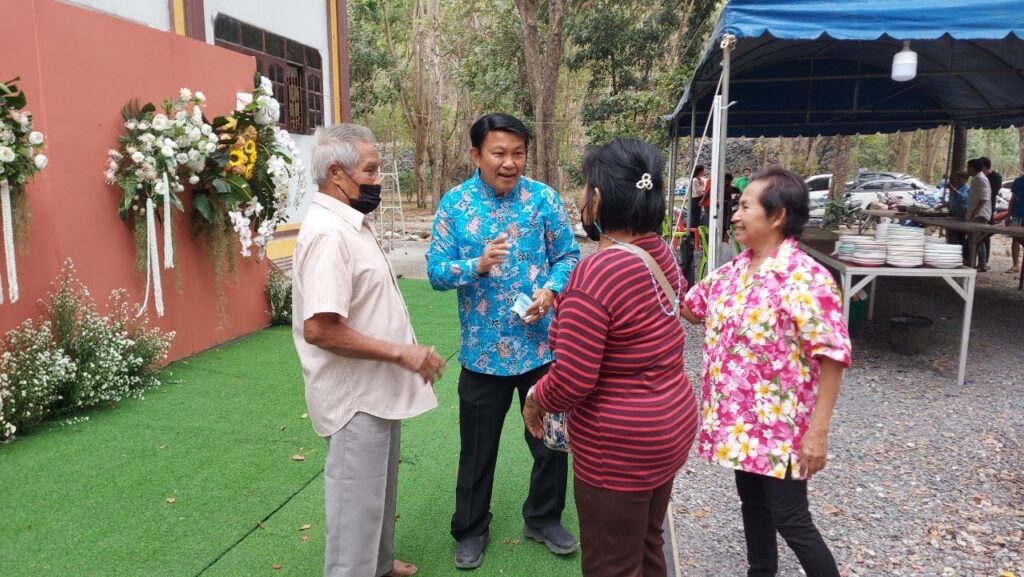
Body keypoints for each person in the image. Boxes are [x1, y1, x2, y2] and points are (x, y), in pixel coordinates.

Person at [522, 138, 699, 577]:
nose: (582, 199)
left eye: (585, 189)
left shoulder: (597, 273)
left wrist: (535, 398)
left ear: (597, 199)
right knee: (647, 542)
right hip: (669, 426)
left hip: (620, 445)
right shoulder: (660, 251)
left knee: (610, 564)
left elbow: (573, 380)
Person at [425, 113, 581, 570]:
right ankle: (471, 529)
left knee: (550, 442)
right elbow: (435, 271)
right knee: (477, 449)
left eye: (518, 153)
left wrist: (551, 291)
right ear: (476, 155)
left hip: (540, 349)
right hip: (482, 355)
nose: (509, 162)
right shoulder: (455, 205)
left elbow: (568, 255)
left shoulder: (543, 199)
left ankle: (543, 518)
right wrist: (475, 264)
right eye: (499, 153)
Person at [680, 168, 852, 577]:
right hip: (742, 426)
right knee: (753, 505)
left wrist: (818, 432)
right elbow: (690, 308)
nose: (735, 215)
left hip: (783, 428)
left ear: (777, 216)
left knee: (791, 518)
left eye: (745, 207)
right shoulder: (734, 271)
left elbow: (833, 355)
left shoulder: (806, 277)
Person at [292, 123, 444, 577]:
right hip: (353, 398)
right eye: (371, 170)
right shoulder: (329, 234)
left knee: (378, 491)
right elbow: (320, 329)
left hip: (374, 391)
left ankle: (378, 564)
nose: (379, 180)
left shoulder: (351, 222)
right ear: (336, 174)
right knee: (354, 507)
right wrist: (401, 353)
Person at [966, 158, 993, 271]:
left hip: (980, 215)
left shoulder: (981, 179)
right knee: (973, 239)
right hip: (976, 214)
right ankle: (972, 262)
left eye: (968, 167)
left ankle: (982, 263)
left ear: (972, 168)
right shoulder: (977, 178)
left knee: (977, 240)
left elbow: (984, 198)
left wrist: (975, 211)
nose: (967, 170)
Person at [942, 170, 969, 247]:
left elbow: (963, 198)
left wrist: (953, 189)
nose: (957, 181)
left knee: (960, 236)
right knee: (951, 235)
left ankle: (960, 250)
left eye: (959, 179)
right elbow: (952, 201)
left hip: (960, 215)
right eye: (956, 179)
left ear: (965, 179)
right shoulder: (957, 187)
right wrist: (942, 206)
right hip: (953, 214)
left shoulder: (967, 188)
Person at [1008, 167, 1024, 273]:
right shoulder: (1018, 181)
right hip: (1017, 213)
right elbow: (1013, 199)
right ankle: (1015, 265)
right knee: (1015, 238)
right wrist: (1008, 215)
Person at [980, 156, 1002, 223]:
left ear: (983, 166)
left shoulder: (996, 177)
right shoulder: (980, 176)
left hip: (989, 206)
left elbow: (994, 193)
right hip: (979, 206)